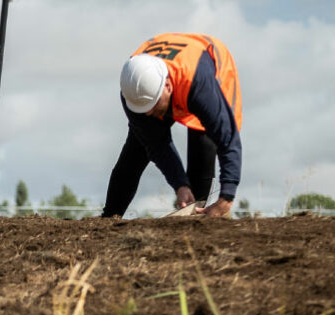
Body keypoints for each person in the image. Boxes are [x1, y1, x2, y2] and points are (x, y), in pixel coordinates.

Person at [103, 33, 242, 219]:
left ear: (167, 86)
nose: (148, 113)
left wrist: (227, 195)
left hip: (204, 63)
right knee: (137, 147)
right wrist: (180, 185)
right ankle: (110, 216)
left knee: (203, 140)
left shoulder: (199, 86)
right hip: (167, 70)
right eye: (143, 108)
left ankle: (196, 215)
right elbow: (156, 145)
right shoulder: (133, 90)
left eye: (153, 105)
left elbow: (227, 136)